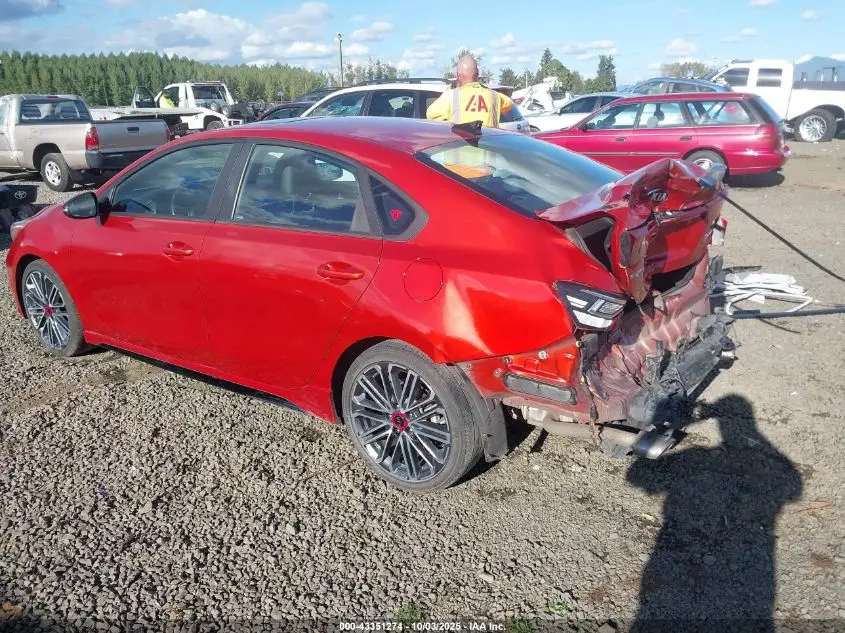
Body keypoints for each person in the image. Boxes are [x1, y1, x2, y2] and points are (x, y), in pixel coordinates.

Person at [426, 55, 514, 128]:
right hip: (489, 148)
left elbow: (430, 114)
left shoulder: (450, 96)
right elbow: (509, 104)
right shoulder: (494, 96)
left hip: (461, 148)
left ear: (457, 75)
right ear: (478, 72)